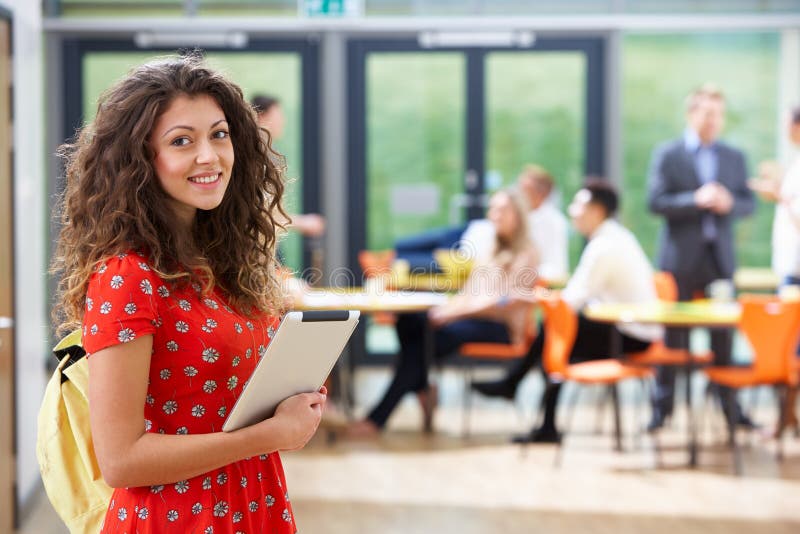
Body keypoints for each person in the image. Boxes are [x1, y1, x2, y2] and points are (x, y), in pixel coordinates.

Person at [51, 56, 326, 533]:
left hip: (252, 502)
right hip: (178, 519)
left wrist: (288, 396)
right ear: (139, 158)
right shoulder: (126, 277)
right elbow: (121, 460)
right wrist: (270, 434)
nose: (209, 156)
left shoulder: (223, 263)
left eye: (219, 134)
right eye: (182, 141)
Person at [473, 180, 662, 443]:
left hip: (631, 336)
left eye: (578, 205)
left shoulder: (604, 246)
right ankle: (525, 398)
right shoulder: (617, 237)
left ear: (596, 211)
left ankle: (519, 390)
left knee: (553, 332)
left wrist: (539, 298)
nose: (572, 211)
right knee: (552, 337)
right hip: (632, 329)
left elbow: (570, 302)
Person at [347, 188, 539, 437]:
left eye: (502, 210)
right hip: (471, 320)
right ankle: (421, 387)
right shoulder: (491, 248)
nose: (495, 215)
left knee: (421, 348)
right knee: (410, 320)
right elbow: (469, 294)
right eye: (493, 209)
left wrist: (452, 315)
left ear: (519, 215)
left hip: (498, 328)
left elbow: (503, 303)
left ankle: (380, 417)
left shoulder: (526, 252)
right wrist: (443, 310)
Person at [647, 84, 756, 432]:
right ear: (691, 114)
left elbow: (748, 204)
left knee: (723, 336)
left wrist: (729, 203)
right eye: (707, 113)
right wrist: (696, 199)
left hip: (718, 261)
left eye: (719, 115)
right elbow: (656, 201)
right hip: (680, 260)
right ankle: (662, 409)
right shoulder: (669, 153)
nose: (714, 121)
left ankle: (729, 408)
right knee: (674, 337)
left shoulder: (733, 157)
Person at [748, 105, 800, 436]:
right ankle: (786, 417)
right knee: (791, 347)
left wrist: (780, 197)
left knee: (790, 347)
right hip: (790, 269)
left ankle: (784, 417)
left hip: (797, 273)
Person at [460, 164, 569, 281]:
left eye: (526, 190)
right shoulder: (494, 225)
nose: (520, 194)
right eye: (519, 187)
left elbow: (557, 268)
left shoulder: (553, 223)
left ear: (542, 194)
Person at [250, 93, 325, 238]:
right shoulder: (254, 160)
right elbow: (263, 214)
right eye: (278, 116)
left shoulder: (267, 156)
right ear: (261, 117)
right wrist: (302, 223)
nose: (282, 122)